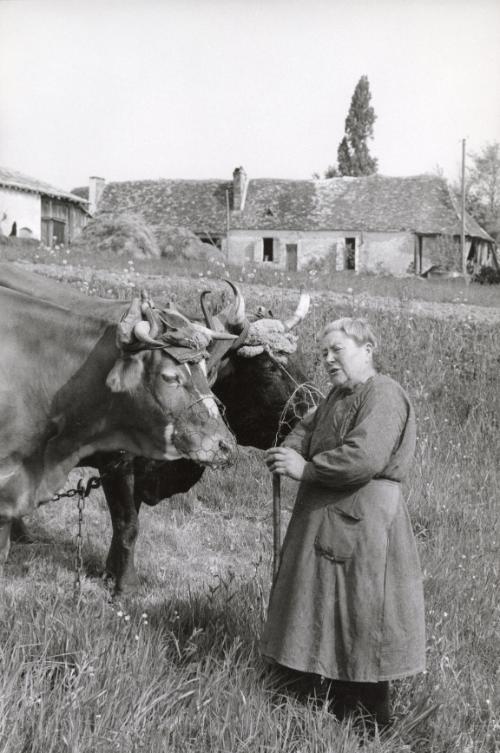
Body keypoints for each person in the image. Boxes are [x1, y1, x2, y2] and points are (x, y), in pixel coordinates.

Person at [262, 317, 425, 725]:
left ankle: (369, 724)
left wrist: (306, 470)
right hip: (325, 517)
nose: (328, 358)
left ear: (367, 349)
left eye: (337, 349)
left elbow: (363, 458)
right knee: (312, 605)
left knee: (362, 615)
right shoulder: (335, 396)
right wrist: (290, 453)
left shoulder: (384, 394)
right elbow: (305, 428)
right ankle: (302, 700)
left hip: (365, 524)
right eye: (323, 352)